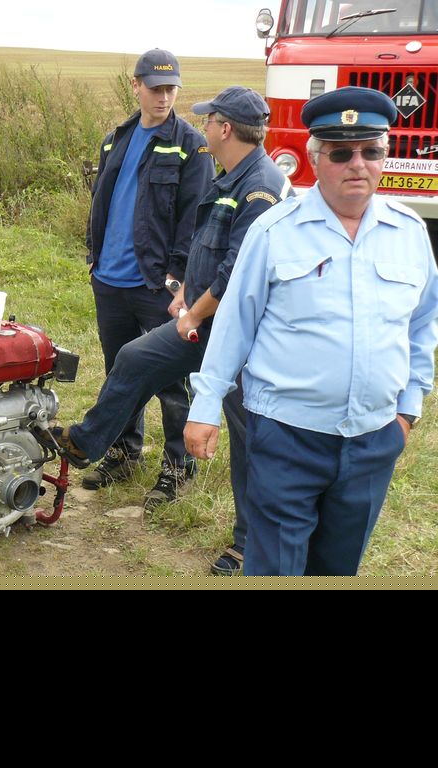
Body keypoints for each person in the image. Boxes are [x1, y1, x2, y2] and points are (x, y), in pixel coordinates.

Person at [185, 86, 438, 576]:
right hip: (286, 437)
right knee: (276, 569)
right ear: (316, 158)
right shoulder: (274, 231)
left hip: (372, 440)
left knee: (338, 570)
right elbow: (235, 323)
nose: (358, 165)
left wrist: (408, 409)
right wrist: (205, 405)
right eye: (341, 153)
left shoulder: (409, 234)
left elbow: (422, 325)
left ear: (384, 156)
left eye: (371, 152)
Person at [46, 87, 289, 574]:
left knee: (248, 433)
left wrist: (193, 313)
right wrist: (186, 294)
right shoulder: (229, 176)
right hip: (204, 318)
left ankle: (249, 545)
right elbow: (207, 249)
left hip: (243, 335)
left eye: (209, 120)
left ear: (225, 128)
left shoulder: (261, 187)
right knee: (136, 358)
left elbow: (236, 275)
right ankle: (88, 442)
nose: (203, 127)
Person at [82, 48, 214, 508]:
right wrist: (95, 258)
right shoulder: (115, 139)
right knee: (120, 372)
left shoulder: (191, 145)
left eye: (171, 88)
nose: (164, 97)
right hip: (110, 280)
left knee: (170, 381)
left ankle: (178, 469)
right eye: (155, 88)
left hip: (158, 286)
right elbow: (102, 202)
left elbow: (196, 219)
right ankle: (123, 453)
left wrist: (178, 276)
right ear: (135, 85)